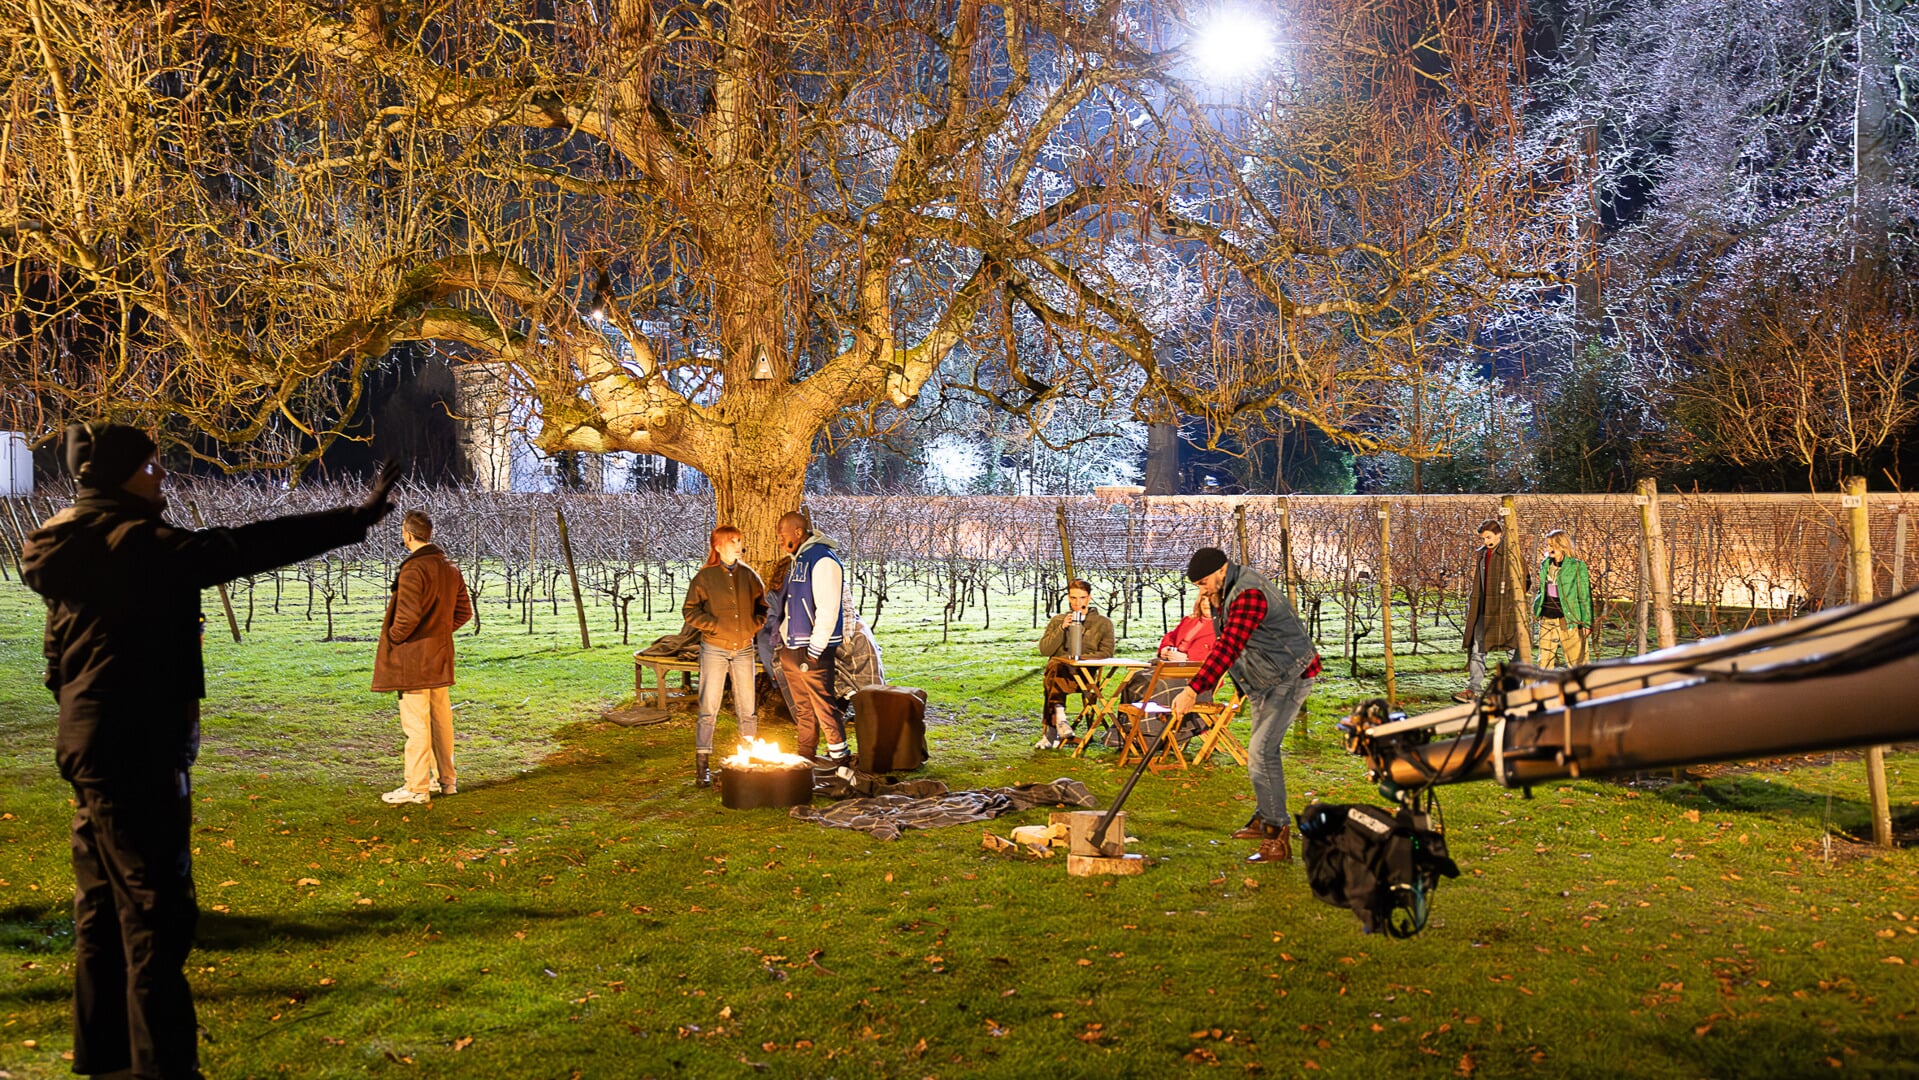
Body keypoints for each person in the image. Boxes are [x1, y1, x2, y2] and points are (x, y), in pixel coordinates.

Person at [22, 423, 398, 1080]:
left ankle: (105, 1055)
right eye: (151, 464)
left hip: (89, 745)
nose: (162, 474)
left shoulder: (72, 546)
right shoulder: (138, 543)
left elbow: (57, 660)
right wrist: (353, 519)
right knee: (156, 915)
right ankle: (161, 1067)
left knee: (103, 908)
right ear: (125, 475)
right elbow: (242, 548)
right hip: (137, 749)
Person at [1171, 547, 1320, 864]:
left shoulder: (1249, 593)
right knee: (1264, 752)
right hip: (1264, 680)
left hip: (1290, 674)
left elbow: (1229, 645)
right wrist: (1241, 688)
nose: (1202, 589)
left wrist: (1193, 690)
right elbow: (1235, 643)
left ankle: (1277, 837)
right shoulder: (1224, 594)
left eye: (1203, 583)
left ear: (1221, 571)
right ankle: (1265, 816)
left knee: (1260, 752)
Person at [372, 509, 473, 806]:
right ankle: (448, 782)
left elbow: (407, 617)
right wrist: (439, 631)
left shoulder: (413, 570)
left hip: (415, 659)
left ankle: (417, 787)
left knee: (416, 725)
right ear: (428, 534)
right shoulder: (450, 568)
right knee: (441, 722)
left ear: (407, 535)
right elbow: (464, 613)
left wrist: (394, 638)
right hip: (439, 658)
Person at [682, 525, 767, 787]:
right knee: (709, 707)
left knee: (747, 707)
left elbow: (763, 608)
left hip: (743, 648)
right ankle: (702, 766)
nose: (738, 545)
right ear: (718, 547)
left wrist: (752, 627)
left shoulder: (749, 576)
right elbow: (690, 612)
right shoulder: (704, 578)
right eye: (733, 541)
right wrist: (715, 626)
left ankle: (749, 759)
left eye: (740, 540)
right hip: (714, 649)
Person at [775, 510, 851, 768]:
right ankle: (805, 758)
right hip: (793, 647)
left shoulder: (823, 560)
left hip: (812, 650)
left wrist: (814, 651)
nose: (779, 540)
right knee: (803, 709)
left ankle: (841, 763)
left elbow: (827, 609)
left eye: (781, 535)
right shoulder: (799, 559)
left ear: (798, 532)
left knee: (824, 707)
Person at [1034, 579, 1115, 749]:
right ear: (1068, 598)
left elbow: (1107, 652)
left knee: (1053, 672)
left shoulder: (1103, 623)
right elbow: (1045, 649)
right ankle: (1060, 719)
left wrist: (1080, 659)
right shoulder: (1058, 620)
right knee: (1055, 666)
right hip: (1058, 672)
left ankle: (1052, 731)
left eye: (1082, 598)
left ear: (1089, 598)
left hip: (1083, 675)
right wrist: (1061, 628)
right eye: (1073, 598)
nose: (1077, 603)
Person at [1455, 518, 1526, 703]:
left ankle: (1518, 689)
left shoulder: (1511, 554)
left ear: (1499, 534)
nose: (1486, 541)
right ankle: (1473, 690)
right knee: (1478, 648)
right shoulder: (1483, 555)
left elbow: (1524, 582)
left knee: (1512, 648)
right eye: (1484, 538)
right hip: (1483, 608)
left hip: (1504, 609)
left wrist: (1509, 598)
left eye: (1489, 537)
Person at [1535, 528, 1593, 667]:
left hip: (1569, 619)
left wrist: (1586, 622)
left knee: (1577, 662)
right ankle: (1544, 688)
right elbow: (1542, 590)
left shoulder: (1576, 566)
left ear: (1562, 546)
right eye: (1547, 545)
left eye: (1551, 545)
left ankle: (1582, 687)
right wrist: (1537, 607)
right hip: (1547, 618)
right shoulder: (1546, 564)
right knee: (1544, 662)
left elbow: (1584, 596)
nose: (1548, 548)